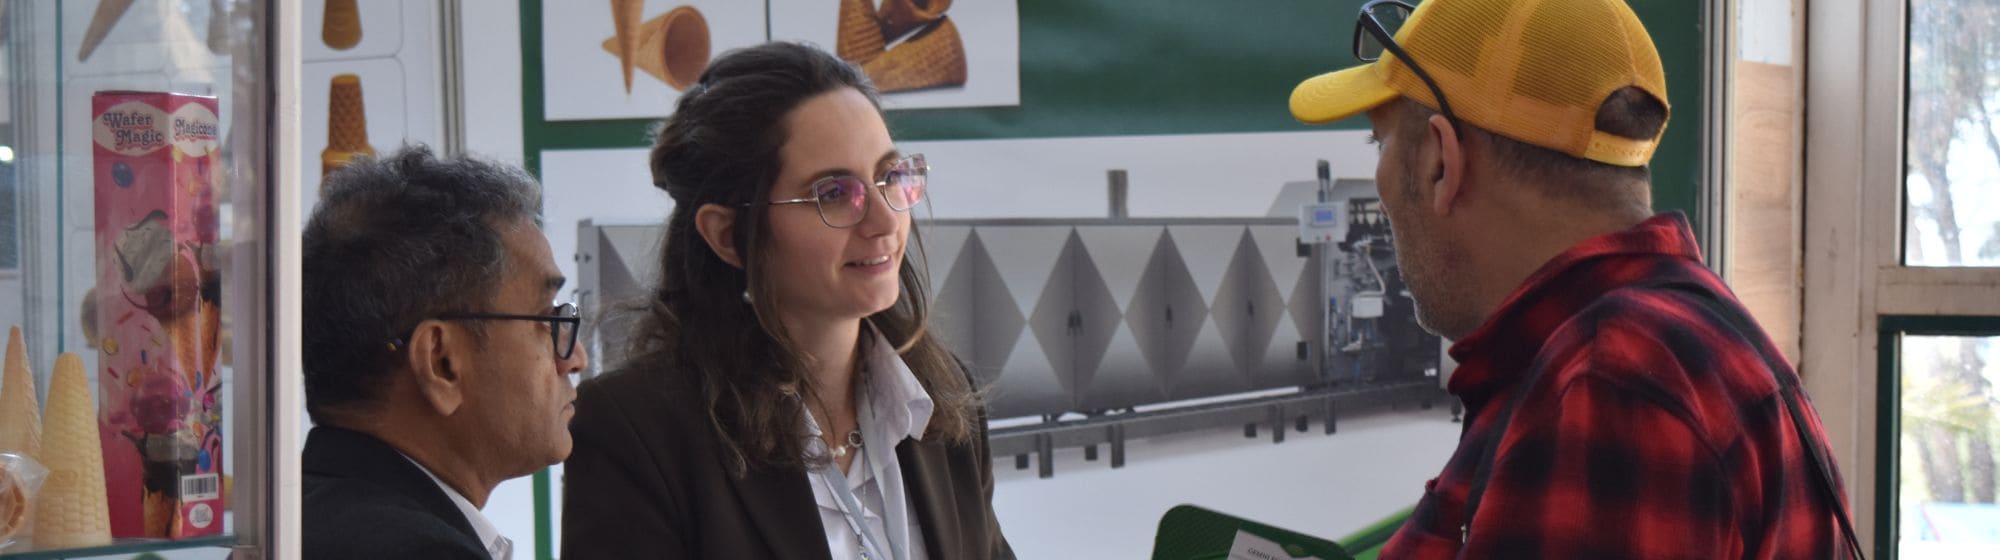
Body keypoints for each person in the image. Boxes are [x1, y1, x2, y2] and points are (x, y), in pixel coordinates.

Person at [1290, 0, 1859, 557]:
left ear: (1441, 160)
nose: (1381, 182)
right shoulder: (1672, 339)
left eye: (1380, 143)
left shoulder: (1611, 381)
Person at [560, 42, 1012, 559]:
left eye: (889, 177)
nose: (886, 221)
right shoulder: (635, 431)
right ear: (728, 236)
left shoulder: (940, 400)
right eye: (835, 194)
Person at [301, 145, 589, 560]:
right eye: (547, 319)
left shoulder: (299, 513)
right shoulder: (417, 550)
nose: (575, 358)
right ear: (442, 362)